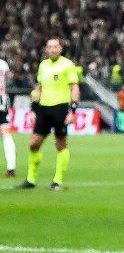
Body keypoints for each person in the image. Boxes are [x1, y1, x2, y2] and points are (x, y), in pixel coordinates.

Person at [16, 38, 80, 191]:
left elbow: (75, 88)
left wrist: (73, 111)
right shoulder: (43, 65)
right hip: (43, 109)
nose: (52, 49)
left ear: (60, 49)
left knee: (60, 144)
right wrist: (33, 109)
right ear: (46, 49)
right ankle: (31, 179)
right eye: (49, 47)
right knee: (33, 144)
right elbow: (38, 88)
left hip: (60, 108)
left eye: (55, 47)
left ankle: (57, 180)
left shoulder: (67, 65)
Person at [0, 54, 16, 177]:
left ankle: (11, 166)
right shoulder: (3, 64)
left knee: (5, 132)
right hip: (2, 99)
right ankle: (11, 166)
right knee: (5, 132)